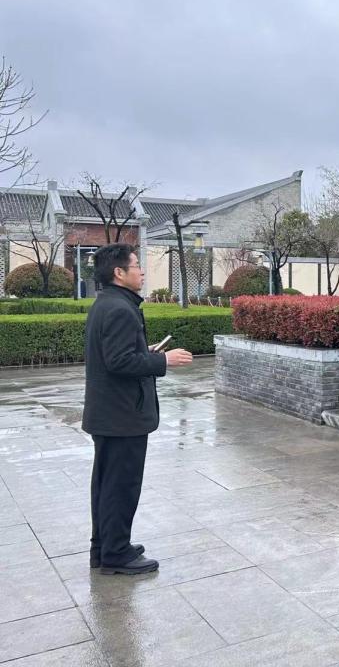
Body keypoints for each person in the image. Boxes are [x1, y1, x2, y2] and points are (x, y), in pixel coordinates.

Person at [84, 243, 193, 574]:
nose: (142, 271)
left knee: (107, 485)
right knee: (121, 487)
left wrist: (144, 352)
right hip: (122, 416)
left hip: (110, 414)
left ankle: (105, 547)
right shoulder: (120, 309)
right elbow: (119, 362)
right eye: (136, 266)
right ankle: (117, 554)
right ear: (119, 272)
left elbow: (115, 354)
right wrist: (163, 360)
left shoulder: (107, 303)